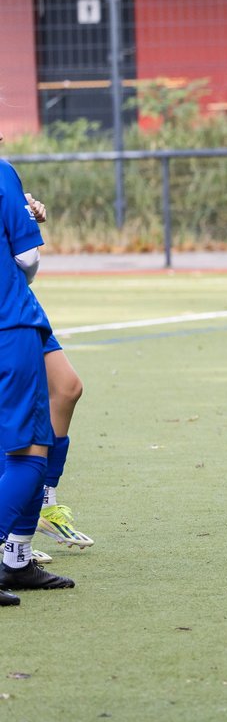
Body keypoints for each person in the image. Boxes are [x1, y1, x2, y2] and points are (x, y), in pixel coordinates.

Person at [0, 139, 75, 606]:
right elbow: (27, 260)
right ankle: (25, 528)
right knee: (29, 452)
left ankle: (17, 558)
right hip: (10, 315)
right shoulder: (2, 171)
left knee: (66, 387)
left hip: (23, 315)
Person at [8, 193, 93, 566]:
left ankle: (43, 502)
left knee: (67, 387)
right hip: (8, 306)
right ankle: (12, 536)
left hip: (18, 303)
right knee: (17, 424)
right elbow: (27, 258)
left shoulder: (6, 173)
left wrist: (24, 212)